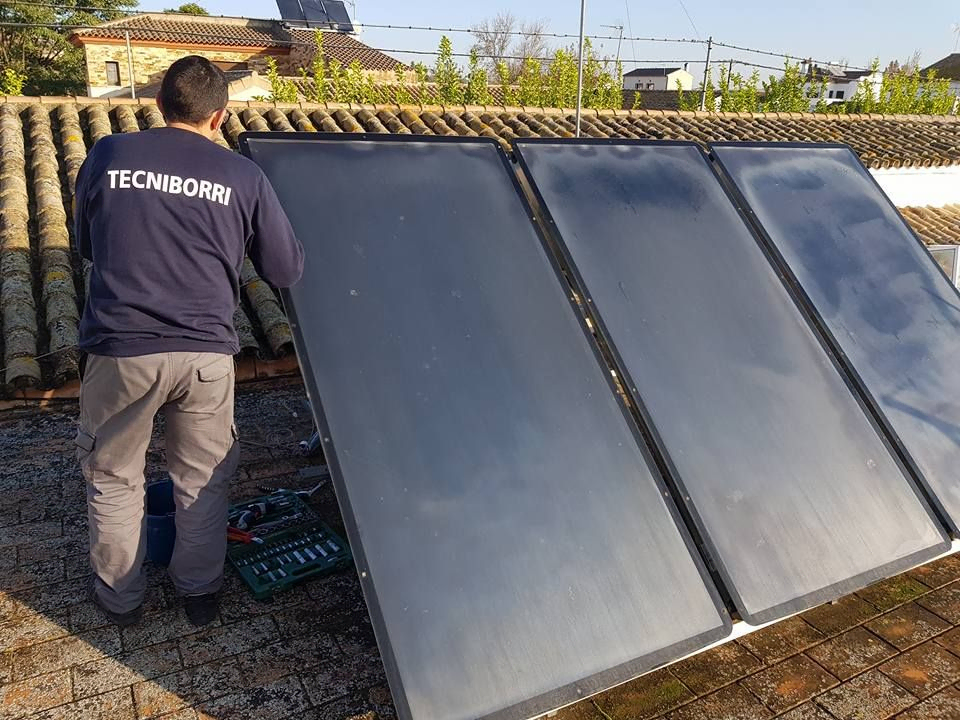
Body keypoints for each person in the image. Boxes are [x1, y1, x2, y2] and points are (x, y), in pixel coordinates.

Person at [73, 55, 304, 627]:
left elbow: (86, 242)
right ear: (220, 116)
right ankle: (199, 595)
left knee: (113, 475)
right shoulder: (243, 176)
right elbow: (285, 269)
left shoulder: (109, 155)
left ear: (157, 105)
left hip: (121, 348)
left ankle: (121, 603)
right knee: (202, 480)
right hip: (205, 354)